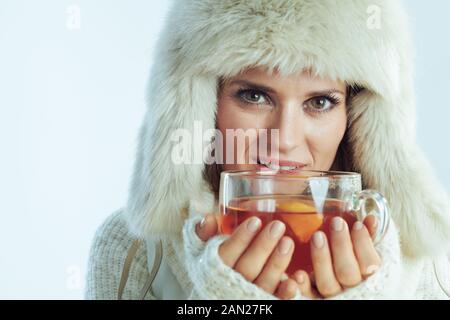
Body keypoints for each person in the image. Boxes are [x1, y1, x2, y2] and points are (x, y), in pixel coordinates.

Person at [86, 0, 450, 299]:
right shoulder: (133, 252)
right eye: (255, 96)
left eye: (320, 102)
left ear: (357, 118)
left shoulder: (427, 264)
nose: (284, 139)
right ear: (200, 104)